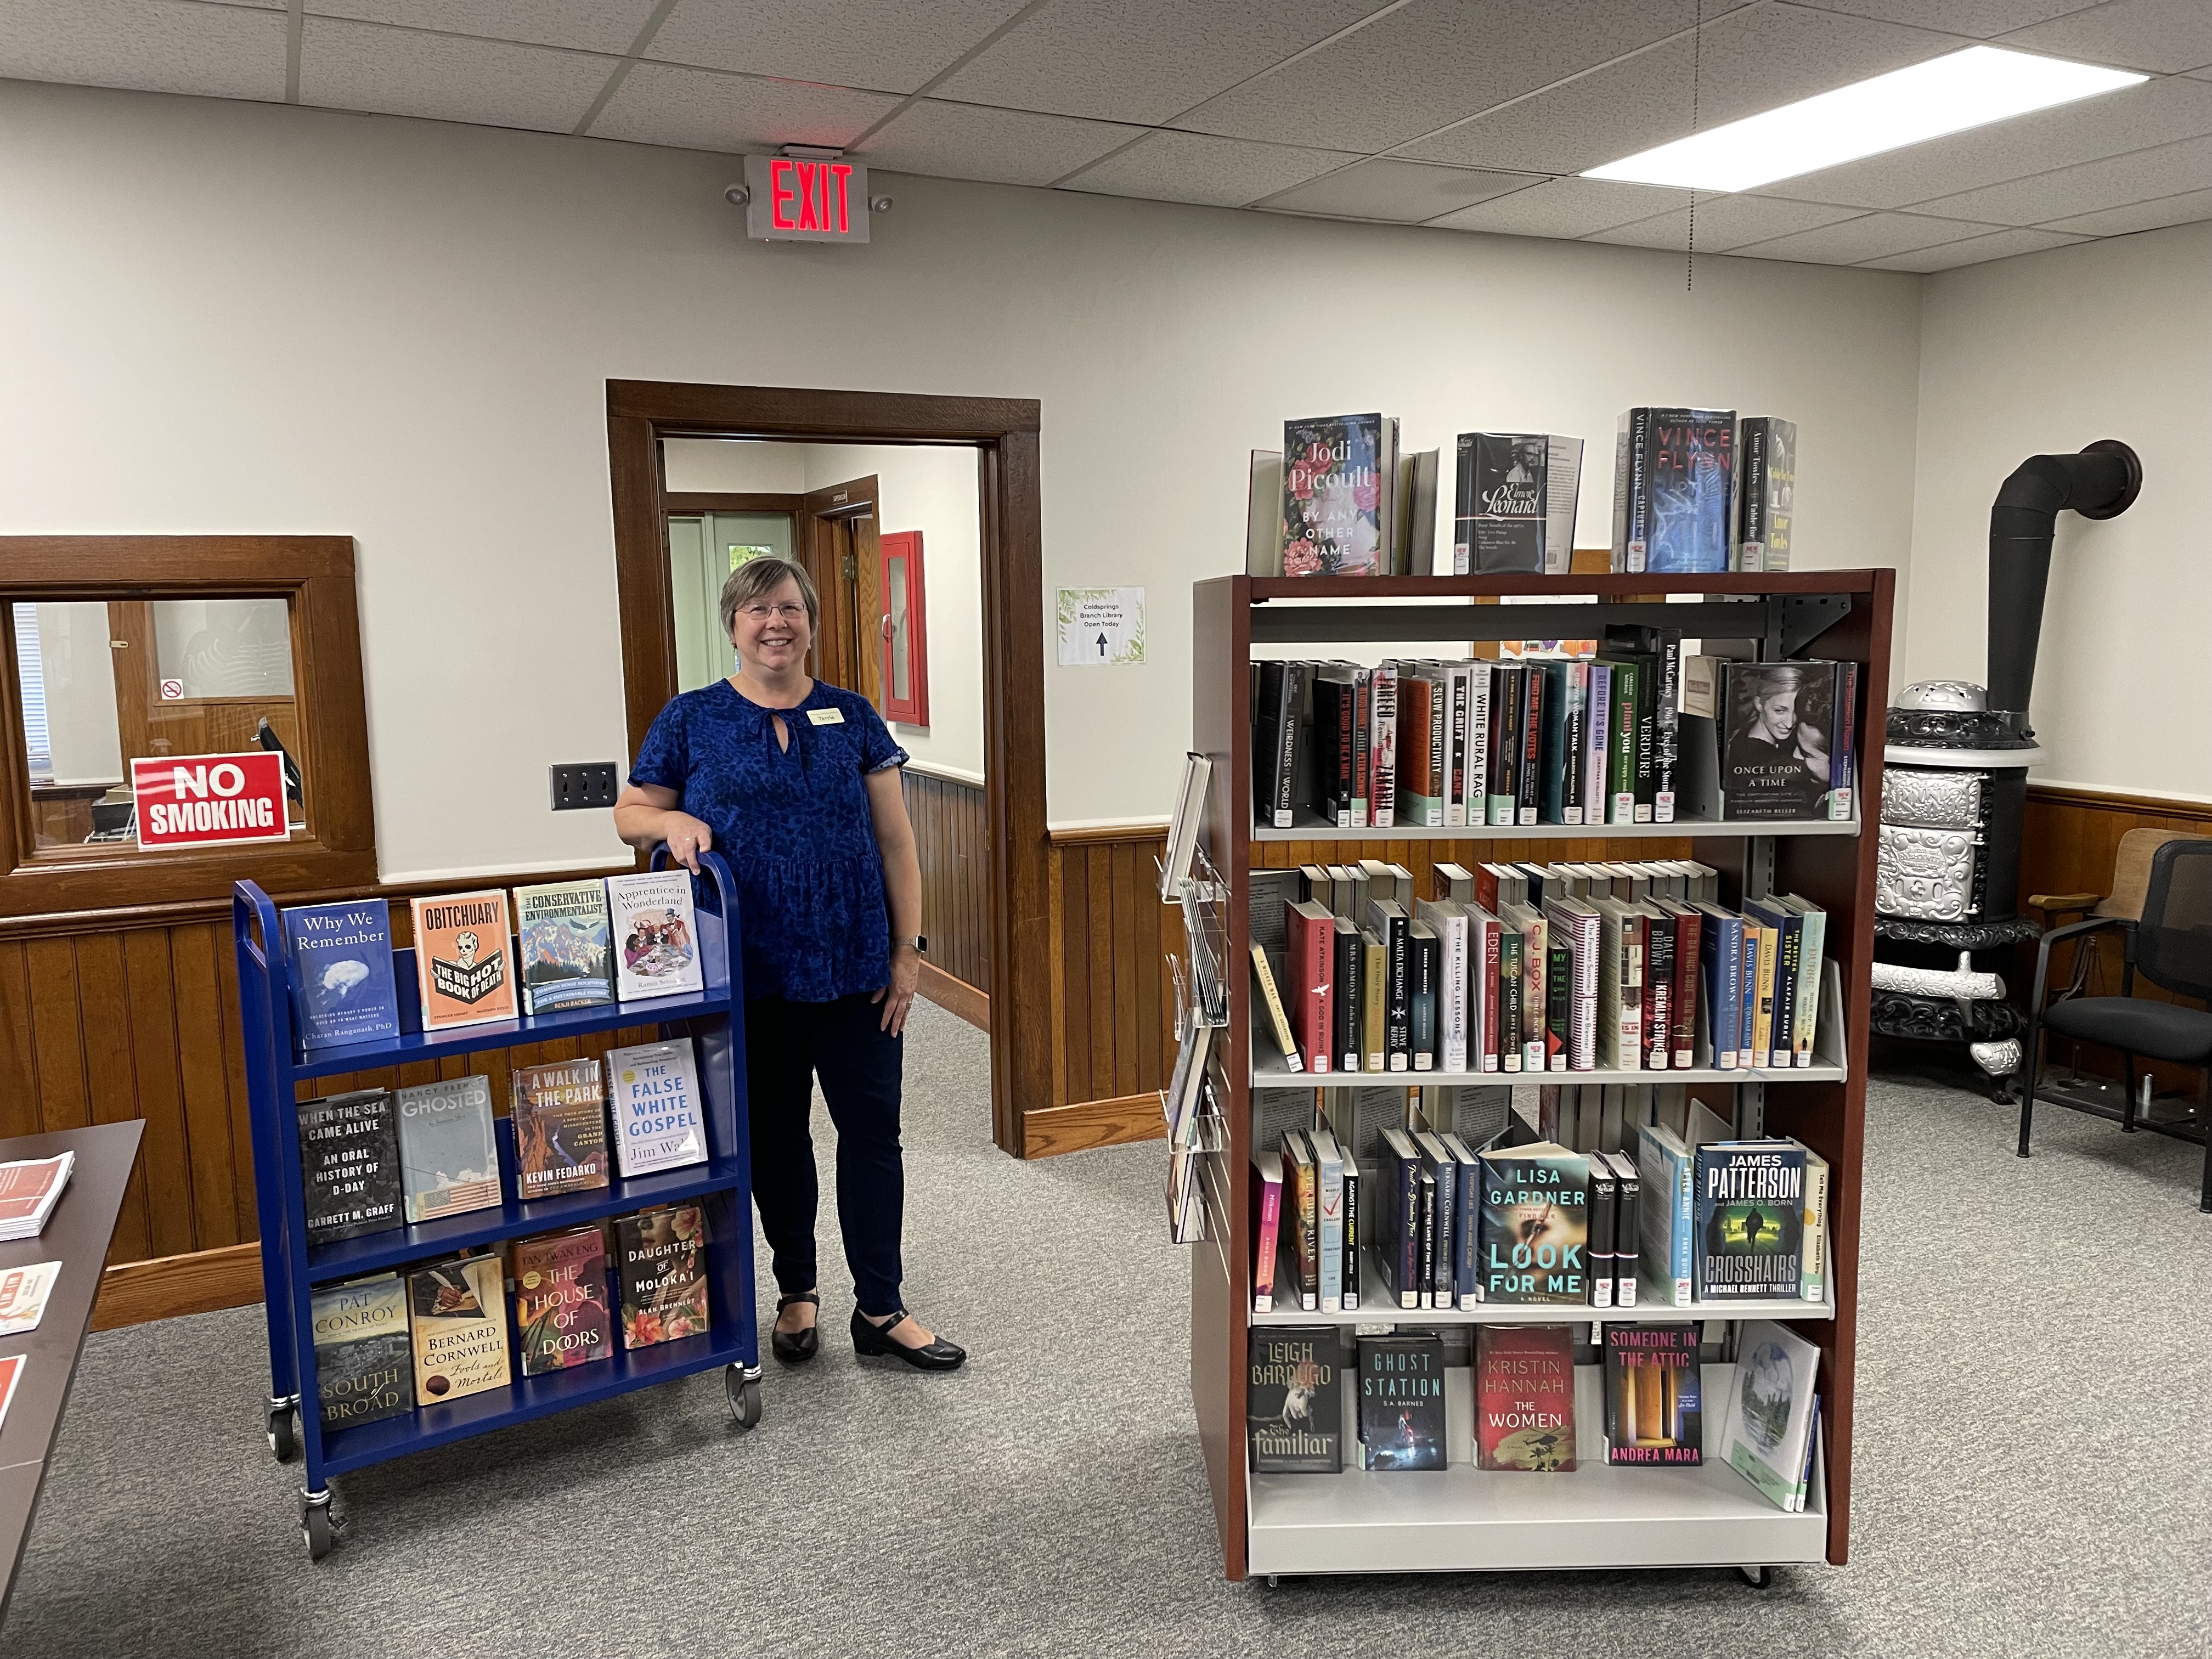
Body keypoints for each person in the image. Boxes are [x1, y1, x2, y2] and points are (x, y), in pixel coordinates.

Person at [613, 555, 964, 1373]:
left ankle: (881, 1306)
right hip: (751, 973)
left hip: (858, 970)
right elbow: (631, 810)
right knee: (776, 1138)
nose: (776, 623)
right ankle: (797, 1290)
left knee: (873, 1136)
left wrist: (908, 953)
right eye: (758, 610)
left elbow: (897, 841)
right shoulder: (693, 718)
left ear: (810, 621)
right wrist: (670, 828)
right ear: (733, 625)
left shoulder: (854, 715)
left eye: (790, 609)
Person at [1726, 665, 1830, 819]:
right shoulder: (1756, 755)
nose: (1789, 723)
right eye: (1780, 711)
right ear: (1759, 704)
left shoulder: (1755, 731)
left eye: (1796, 711)